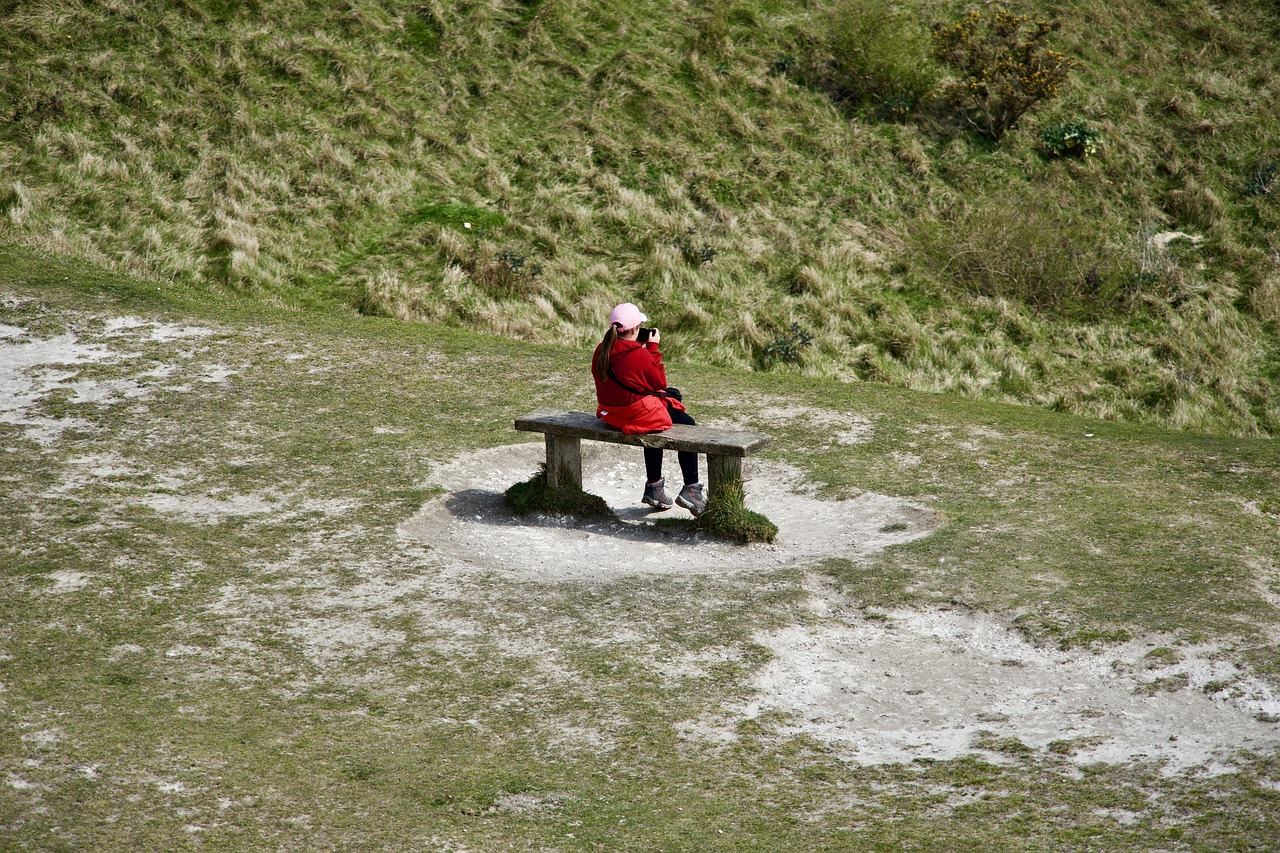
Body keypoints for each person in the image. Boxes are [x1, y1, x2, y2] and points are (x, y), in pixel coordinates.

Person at [591, 302, 707, 516]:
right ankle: (691, 488)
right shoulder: (639, 355)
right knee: (687, 423)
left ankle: (655, 486)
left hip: (612, 413)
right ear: (635, 329)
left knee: (653, 425)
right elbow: (659, 383)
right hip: (635, 414)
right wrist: (652, 349)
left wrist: (639, 348)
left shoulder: (601, 350)